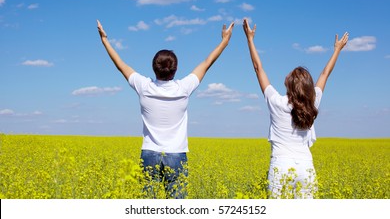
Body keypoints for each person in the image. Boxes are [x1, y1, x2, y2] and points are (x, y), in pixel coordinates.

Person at [97, 20, 234, 198]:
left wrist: (105, 40)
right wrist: (224, 41)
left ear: (154, 68)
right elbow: (207, 62)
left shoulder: (144, 87)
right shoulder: (183, 88)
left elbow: (120, 65)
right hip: (176, 154)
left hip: (149, 153)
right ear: (175, 70)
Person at [242, 18, 349, 198]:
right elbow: (325, 74)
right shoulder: (312, 103)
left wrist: (250, 39)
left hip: (281, 165)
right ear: (308, 87)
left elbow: (258, 68)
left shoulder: (276, 102)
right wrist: (337, 50)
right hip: (306, 167)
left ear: (288, 84)